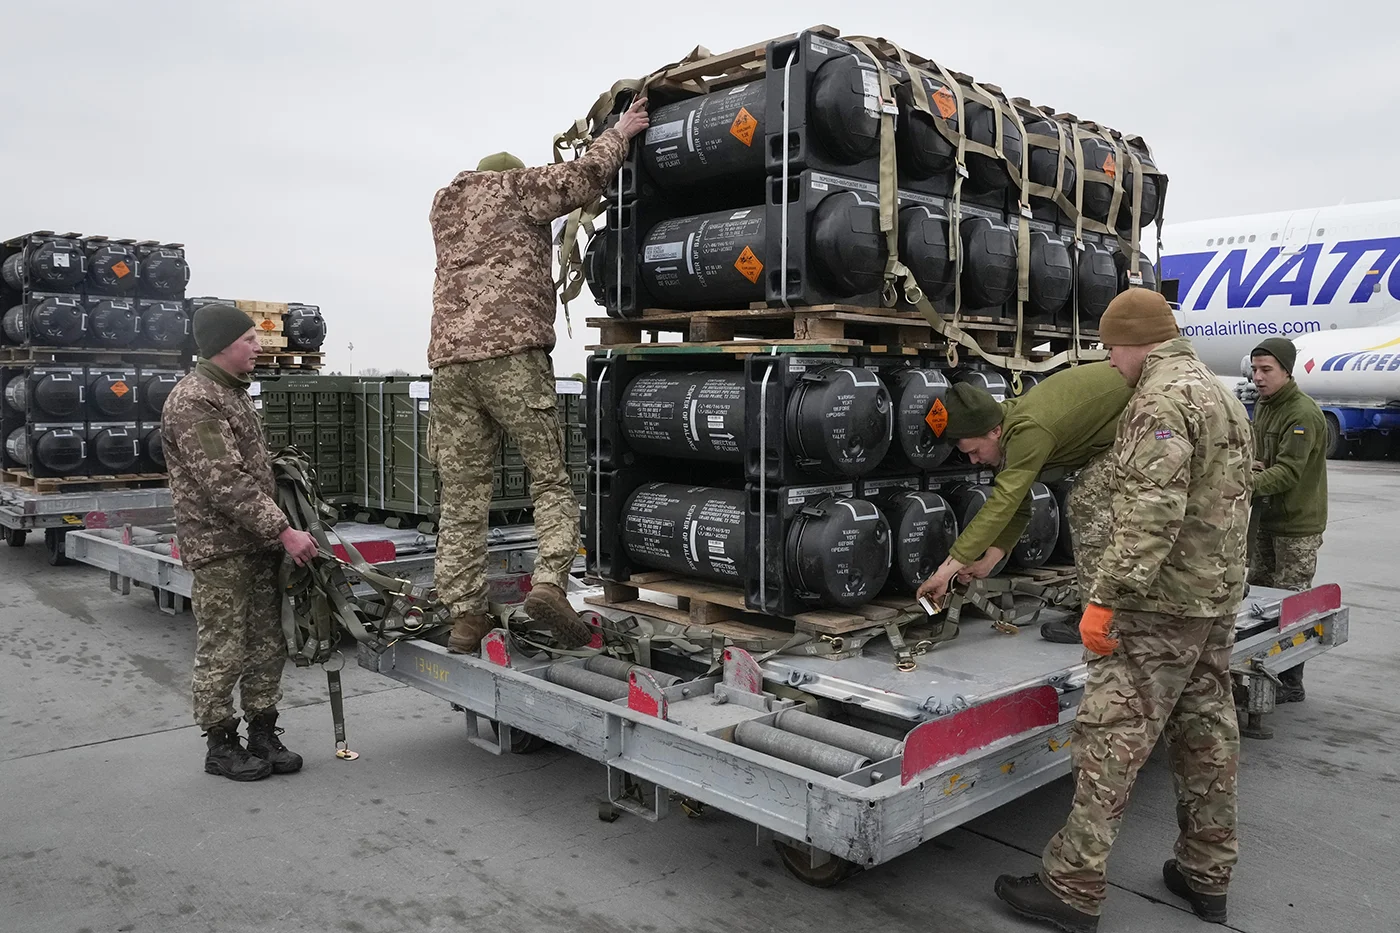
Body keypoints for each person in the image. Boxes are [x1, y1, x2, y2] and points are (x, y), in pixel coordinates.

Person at [993, 289, 1253, 932]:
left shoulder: (1159, 400)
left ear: (1137, 341)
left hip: (1156, 606)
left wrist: (1105, 598)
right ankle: (1207, 873)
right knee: (1207, 734)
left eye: (1111, 348)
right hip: (1212, 598)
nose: (1110, 362)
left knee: (1111, 739)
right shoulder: (1221, 393)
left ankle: (1073, 885)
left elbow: (1149, 516)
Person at [427, 97, 651, 654]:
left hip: (450, 365)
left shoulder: (445, 207)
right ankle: (550, 583)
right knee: (549, 478)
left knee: (461, 498)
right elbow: (581, 178)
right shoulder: (517, 189)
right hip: (512, 355)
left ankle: (464, 617)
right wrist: (619, 132)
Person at [162, 303, 320, 782]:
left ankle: (263, 731)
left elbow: (253, 470)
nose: (258, 346)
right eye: (250, 339)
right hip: (222, 547)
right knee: (224, 645)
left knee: (267, 643)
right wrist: (284, 530)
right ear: (222, 345)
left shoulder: (232, 394)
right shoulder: (196, 401)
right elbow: (224, 481)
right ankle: (220, 742)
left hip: (255, 543)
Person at [915, 363, 1132, 642]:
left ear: (994, 432)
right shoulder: (1006, 430)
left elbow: (1003, 503)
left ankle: (1102, 620)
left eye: (975, 451)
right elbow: (1017, 505)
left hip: (1149, 410)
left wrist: (945, 572)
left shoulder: (1028, 430)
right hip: (1122, 423)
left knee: (1086, 502)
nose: (974, 461)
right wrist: (987, 562)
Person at [1247, 337, 1328, 703]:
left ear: (1287, 371)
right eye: (1255, 369)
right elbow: (1261, 457)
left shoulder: (1302, 413)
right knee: (1259, 602)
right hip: (1266, 518)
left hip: (1296, 525)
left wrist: (1242, 483)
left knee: (1290, 606)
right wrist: (1251, 467)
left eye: (1267, 370)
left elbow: (1288, 472)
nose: (1258, 377)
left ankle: (1291, 681)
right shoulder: (1264, 405)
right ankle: (1261, 670)